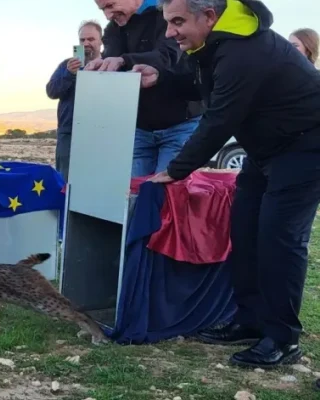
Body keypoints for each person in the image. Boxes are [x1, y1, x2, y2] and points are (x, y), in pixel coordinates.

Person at [133, 0, 320, 369]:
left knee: (279, 240)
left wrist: (176, 169)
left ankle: (282, 339)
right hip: (265, 151)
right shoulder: (213, 45)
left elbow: (219, 119)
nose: (170, 32)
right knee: (245, 231)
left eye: (177, 22)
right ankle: (250, 320)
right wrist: (163, 78)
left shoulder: (245, 50)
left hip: (306, 147)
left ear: (209, 16)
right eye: (168, 23)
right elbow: (198, 85)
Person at [88, 0, 202, 178]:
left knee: (166, 195)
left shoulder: (167, 14)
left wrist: (124, 60)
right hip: (139, 129)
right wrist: (102, 66)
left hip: (180, 126)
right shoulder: (113, 29)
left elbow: (169, 56)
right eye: (102, 9)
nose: (108, 15)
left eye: (110, 6)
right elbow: (113, 62)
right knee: (134, 194)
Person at [45, 20, 104, 182]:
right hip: (69, 131)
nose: (86, 44)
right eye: (82, 40)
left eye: (91, 39)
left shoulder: (109, 65)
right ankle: (67, 208)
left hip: (100, 131)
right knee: (66, 179)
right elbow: (51, 91)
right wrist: (69, 74)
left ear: (101, 41)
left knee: (96, 178)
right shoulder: (67, 65)